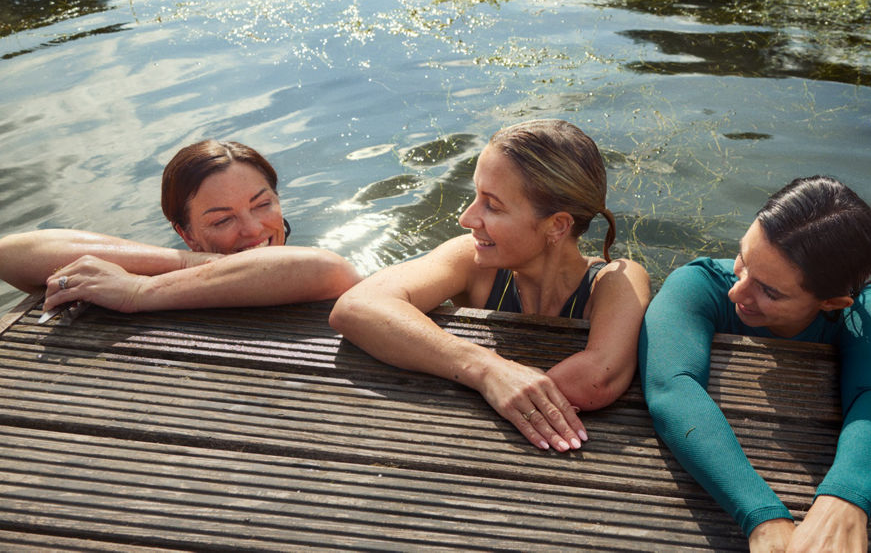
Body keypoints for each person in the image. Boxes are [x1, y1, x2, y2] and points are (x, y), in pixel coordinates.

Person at [329, 119, 651, 454]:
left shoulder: (616, 281)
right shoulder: (472, 260)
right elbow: (357, 305)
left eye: (492, 205)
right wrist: (487, 369)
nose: (466, 219)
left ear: (557, 226)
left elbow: (596, 380)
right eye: (475, 195)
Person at [640, 176, 871, 552]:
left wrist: (846, 496)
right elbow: (672, 387)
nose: (736, 291)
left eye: (769, 291)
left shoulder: (864, 311)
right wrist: (762, 516)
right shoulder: (699, 284)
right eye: (743, 259)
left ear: (831, 303)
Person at [0, 140, 361, 314]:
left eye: (263, 204)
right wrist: (189, 262)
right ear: (186, 234)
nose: (253, 230)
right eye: (222, 219)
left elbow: (326, 270)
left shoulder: (316, 271)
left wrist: (138, 291)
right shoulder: (183, 269)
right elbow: (12, 254)